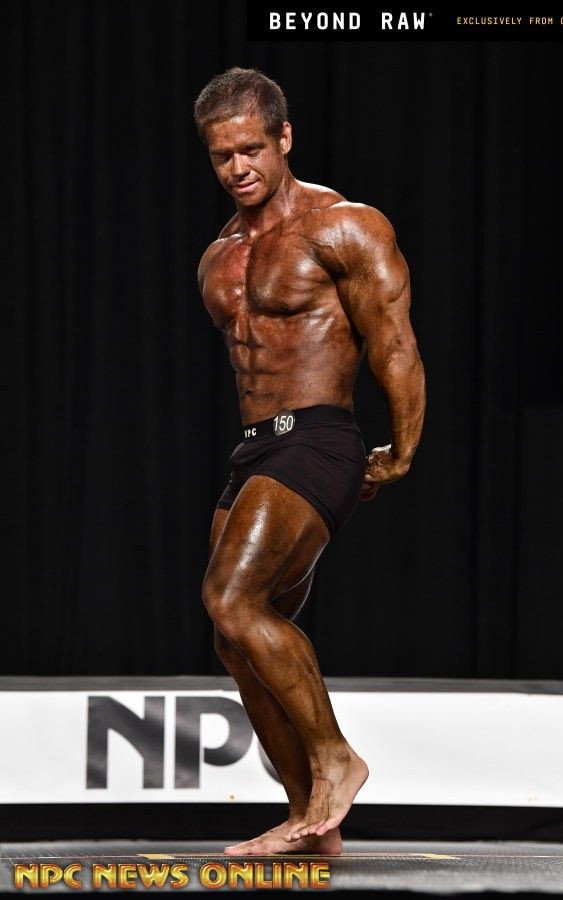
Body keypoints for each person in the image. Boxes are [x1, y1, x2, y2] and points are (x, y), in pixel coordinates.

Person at [194, 67, 425, 856]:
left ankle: (336, 756)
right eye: (222, 155)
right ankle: (309, 822)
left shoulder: (343, 227)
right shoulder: (217, 257)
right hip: (256, 449)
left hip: (321, 437)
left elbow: (394, 343)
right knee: (237, 637)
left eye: (251, 149)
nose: (238, 168)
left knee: (230, 597)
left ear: (284, 137)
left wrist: (402, 450)